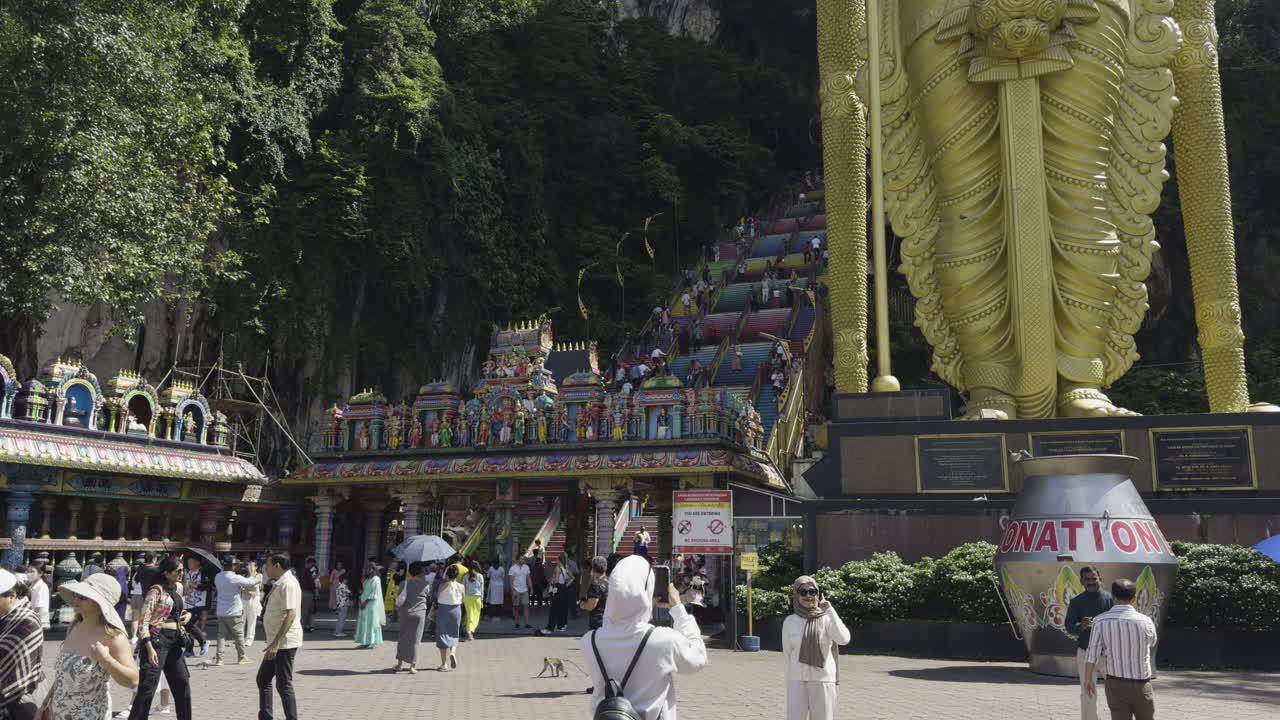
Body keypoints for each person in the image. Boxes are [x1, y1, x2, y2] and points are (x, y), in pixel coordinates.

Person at [581, 555, 706, 719]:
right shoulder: (663, 640)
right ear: (647, 589)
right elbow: (697, 659)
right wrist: (679, 611)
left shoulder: (590, 640)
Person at [50, 573, 139, 720]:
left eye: (83, 596)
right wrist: (46, 703)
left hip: (91, 714)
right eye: (76, 594)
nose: (76, 599)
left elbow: (133, 680)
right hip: (58, 712)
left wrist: (106, 659)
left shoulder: (114, 637)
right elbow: (62, 677)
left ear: (100, 603)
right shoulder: (73, 627)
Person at [129, 557, 193, 720]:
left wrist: (187, 615)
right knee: (148, 687)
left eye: (182, 570)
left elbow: (176, 612)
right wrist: (148, 647)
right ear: (166, 573)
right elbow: (144, 620)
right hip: (157, 641)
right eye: (177, 570)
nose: (181, 573)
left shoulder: (177, 588)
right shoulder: (155, 591)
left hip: (175, 641)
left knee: (182, 682)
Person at [1084, 579, 1157, 720]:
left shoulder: (1100, 621)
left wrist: (1088, 679)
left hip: (1115, 684)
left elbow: (1092, 653)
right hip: (1142, 683)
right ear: (1134, 598)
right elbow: (1151, 643)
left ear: (1113, 597)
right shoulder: (1146, 621)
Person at [782, 576, 851, 720]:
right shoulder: (790, 621)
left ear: (817, 594)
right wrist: (789, 681)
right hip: (797, 679)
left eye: (812, 591)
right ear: (796, 595)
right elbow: (787, 654)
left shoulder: (826, 618)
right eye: (803, 592)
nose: (808, 596)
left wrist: (830, 611)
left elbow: (844, 639)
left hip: (822, 678)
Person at [1066, 567, 1114, 720]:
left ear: (1100, 579)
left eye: (1094, 578)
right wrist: (1081, 626)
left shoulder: (1111, 600)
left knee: (1117, 691)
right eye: (1087, 579)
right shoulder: (1076, 602)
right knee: (1087, 693)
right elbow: (1069, 627)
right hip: (1085, 653)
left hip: (1109, 655)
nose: (1091, 582)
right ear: (1081, 582)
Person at [259, 553, 303, 720]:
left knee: (283, 684)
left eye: (268, 565)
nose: (266, 569)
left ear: (277, 566)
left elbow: (290, 615)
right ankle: (265, 716)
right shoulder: (279, 583)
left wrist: (276, 643)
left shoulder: (288, 584)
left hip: (285, 643)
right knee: (263, 679)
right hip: (275, 642)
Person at [0, 569, 44, 720]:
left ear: (12, 596)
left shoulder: (27, 622)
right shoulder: (4, 615)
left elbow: (11, 662)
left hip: (19, 692)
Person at [212, 558, 257, 666]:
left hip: (221, 611)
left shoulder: (218, 576)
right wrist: (251, 573)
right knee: (239, 635)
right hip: (234, 611)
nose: (238, 566)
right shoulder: (235, 577)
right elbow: (252, 582)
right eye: (236, 564)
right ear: (232, 566)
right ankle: (241, 657)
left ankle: (219, 659)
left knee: (221, 636)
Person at [394, 562, 431, 674]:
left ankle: (400, 664)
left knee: (403, 637)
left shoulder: (404, 583)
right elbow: (428, 597)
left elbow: (399, 599)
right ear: (421, 572)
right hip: (420, 613)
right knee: (416, 640)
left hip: (405, 613)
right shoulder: (426, 584)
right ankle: (412, 666)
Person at [435, 566, 464, 671]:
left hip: (443, 610)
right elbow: (463, 599)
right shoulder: (461, 586)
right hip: (456, 610)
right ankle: (453, 652)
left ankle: (444, 664)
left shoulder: (442, 586)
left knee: (442, 634)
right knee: (454, 633)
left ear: (447, 574)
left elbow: (438, 598)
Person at [180, 557, 210, 656]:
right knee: (186, 625)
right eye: (188, 563)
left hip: (199, 602)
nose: (189, 565)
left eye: (191, 563)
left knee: (191, 624)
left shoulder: (203, 572)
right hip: (188, 601)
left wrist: (195, 585)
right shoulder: (188, 573)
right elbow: (186, 585)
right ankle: (189, 649)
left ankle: (203, 641)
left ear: (197, 563)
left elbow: (207, 586)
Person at [538, 554, 572, 635]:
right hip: (564, 589)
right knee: (562, 609)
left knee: (553, 609)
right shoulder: (566, 568)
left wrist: (553, 581)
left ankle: (550, 627)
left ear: (558, 559)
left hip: (558, 590)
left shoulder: (558, 568)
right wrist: (567, 584)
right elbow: (572, 577)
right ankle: (561, 626)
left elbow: (556, 581)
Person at [354, 562, 385, 648]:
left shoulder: (376, 579)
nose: (368, 570)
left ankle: (372, 642)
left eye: (370, 568)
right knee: (364, 622)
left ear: (374, 569)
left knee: (371, 622)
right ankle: (364, 642)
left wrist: (365, 602)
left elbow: (374, 593)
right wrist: (361, 599)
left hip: (371, 603)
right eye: (367, 568)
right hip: (363, 601)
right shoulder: (367, 579)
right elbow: (364, 590)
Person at [128, 553, 157, 639]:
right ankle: (143, 637)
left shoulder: (136, 573)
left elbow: (132, 585)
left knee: (135, 618)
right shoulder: (150, 572)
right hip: (142, 596)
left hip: (134, 596)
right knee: (144, 619)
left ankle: (133, 637)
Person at [578, 556, 608, 632]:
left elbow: (591, 606)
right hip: (608, 619)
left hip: (598, 621)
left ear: (593, 569)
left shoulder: (596, 585)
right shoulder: (609, 581)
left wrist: (582, 605)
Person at [20, 566, 50, 631]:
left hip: (38, 619)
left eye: (32, 571)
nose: (29, 574)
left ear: (40, 573)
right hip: (32, 618)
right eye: (28, 571)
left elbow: (37, 607)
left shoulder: (42, 586)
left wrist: (25, 616)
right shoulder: (32, 585)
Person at [243, 559, 264, 648]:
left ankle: (249, 640)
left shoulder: (259, 575)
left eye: (251, 565)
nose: (249, 567)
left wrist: (246, 590)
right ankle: (239, 638)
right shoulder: (244, 576)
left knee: (252, 621)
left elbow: (255, 582)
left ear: (256, 567)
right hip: (243, 599)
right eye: (248, 565)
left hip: (254, 600)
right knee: (241, 620)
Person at [462, 561, 484, 641]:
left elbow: (463, 588)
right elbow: (482, 589)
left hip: (467, 598)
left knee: (469, 616)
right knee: (475, 616)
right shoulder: (480, 576)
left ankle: (469, 632)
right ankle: (469, 632)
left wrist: (462, 598)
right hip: (477, 598)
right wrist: (482, 600)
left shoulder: (465, 576)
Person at [508, 555, 531, 630]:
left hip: (525, 590)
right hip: (516, 590)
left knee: (526, 607)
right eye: (521, 559)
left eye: (523, 559)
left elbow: (528, 578)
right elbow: (511, 581)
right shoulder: (512, 568)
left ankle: (527, 623)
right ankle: (517, 622)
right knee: (516, 607)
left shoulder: (526, 567)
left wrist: (531, 588)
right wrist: (513, 591)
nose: (523, 560)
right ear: (517, 560)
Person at [297, 557, 318, 633]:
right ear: (310, 563)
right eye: (312, 564)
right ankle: (302, 627)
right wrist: (313, 585)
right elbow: (307, 582)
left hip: (308, 591)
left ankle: (307, 626)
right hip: (306, 592)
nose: (313, 566)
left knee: (309, 610)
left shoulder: (308, 571)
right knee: (304, 611)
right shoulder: (305, 571)